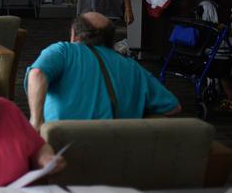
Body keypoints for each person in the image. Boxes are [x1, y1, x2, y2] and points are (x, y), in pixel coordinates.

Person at [25, 12, 181, 130]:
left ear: (74, 35)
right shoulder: (133, 67)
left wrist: (36, 122)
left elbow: (37, 74)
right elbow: (173, 107)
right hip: (120, 158)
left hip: (62, 149)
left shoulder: (64, 51)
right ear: (110, 41)